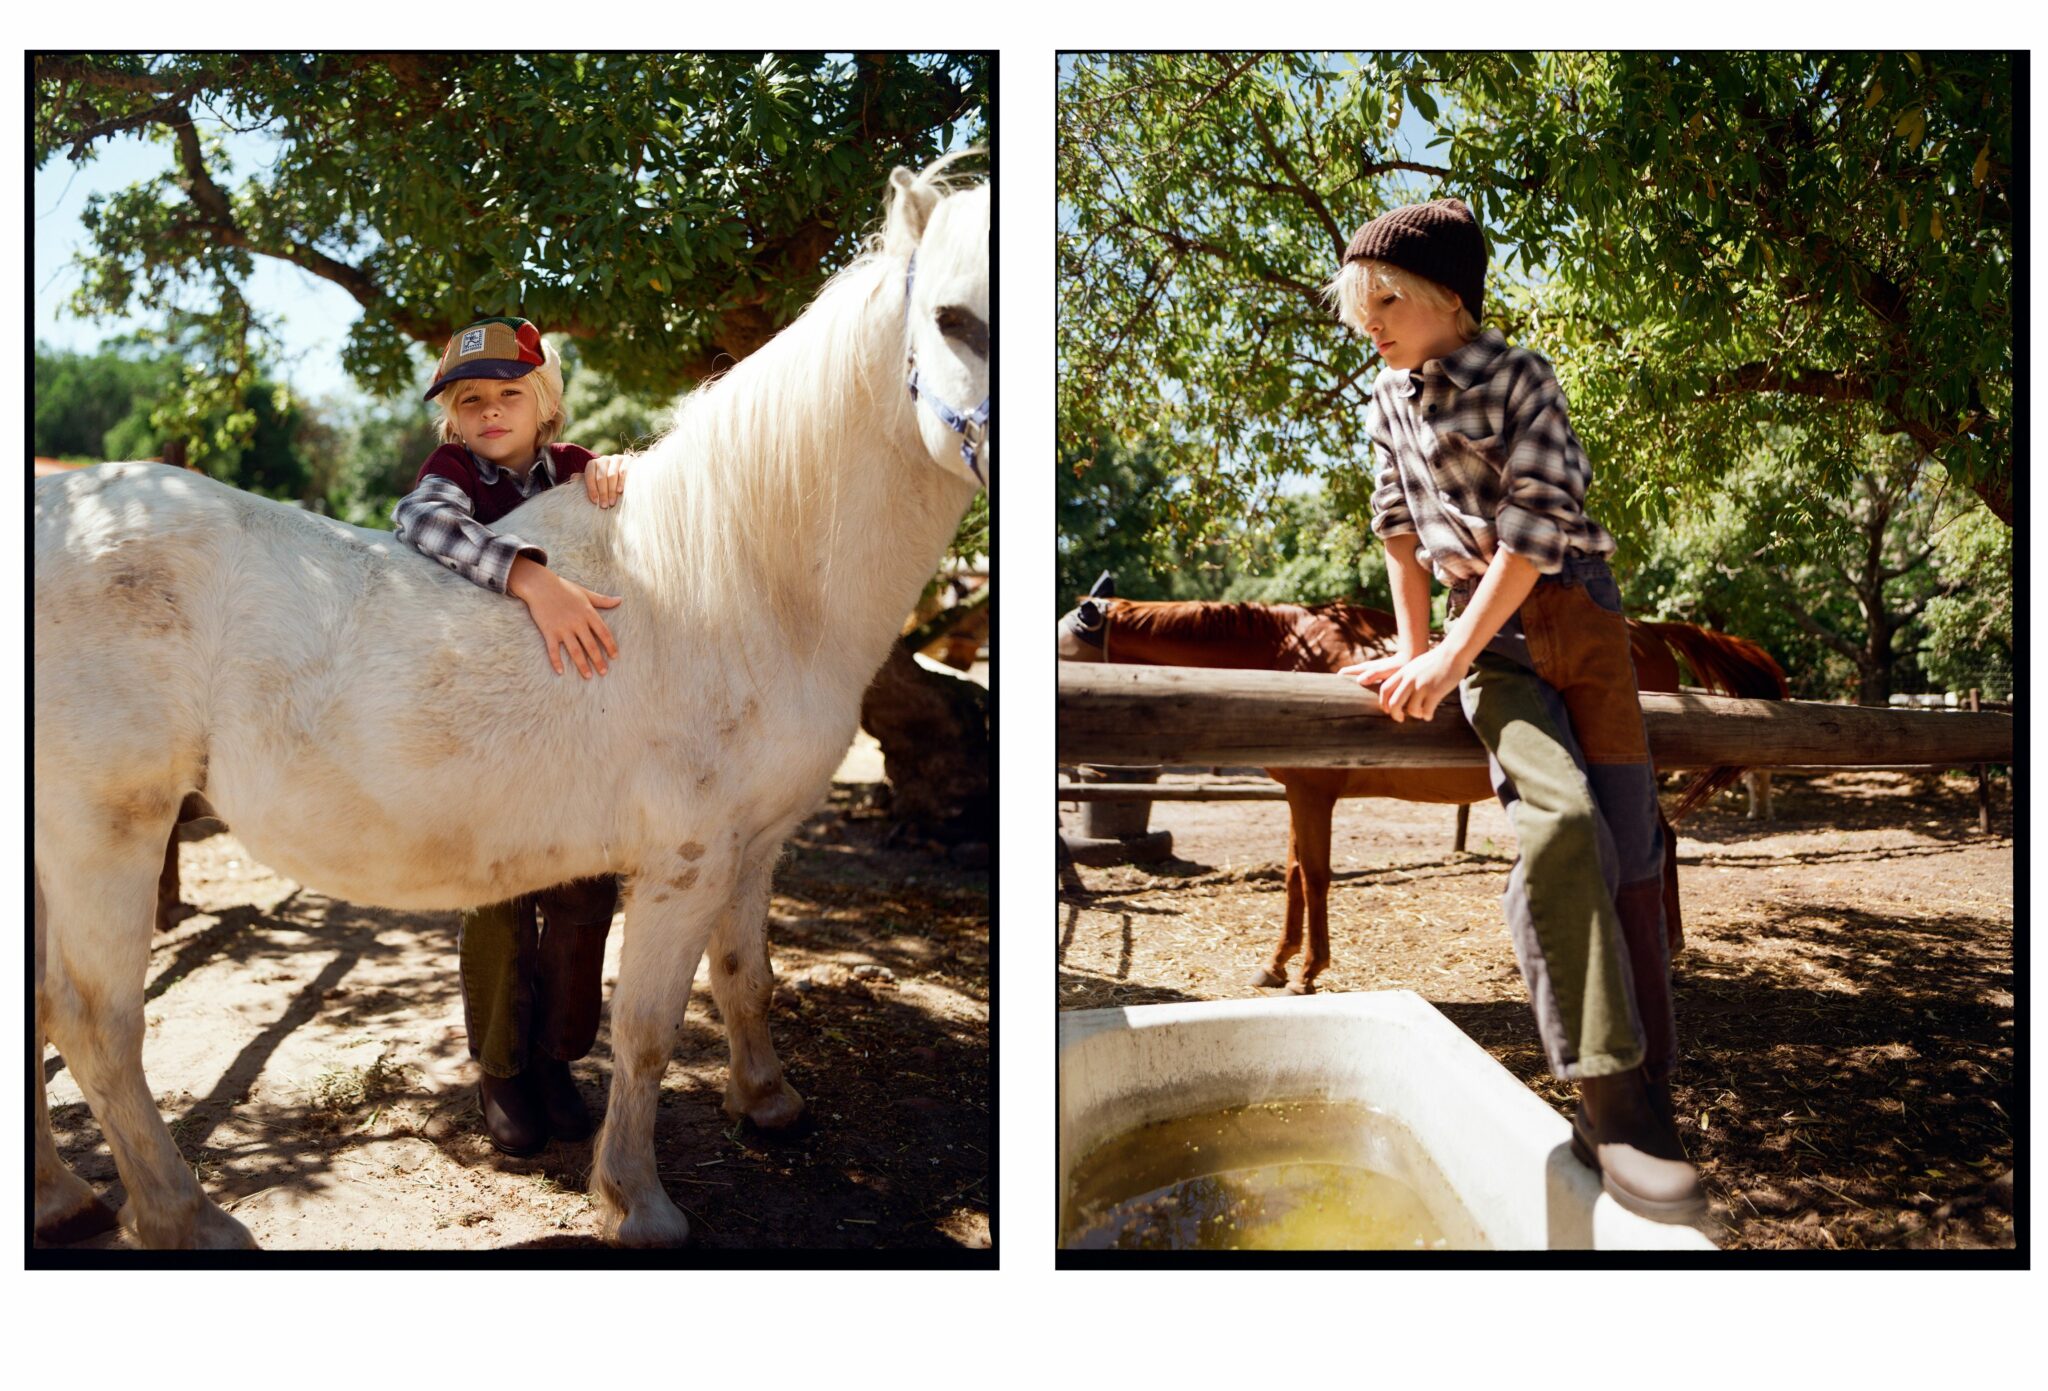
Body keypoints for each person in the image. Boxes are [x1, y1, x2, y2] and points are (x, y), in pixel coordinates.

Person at [1326, 199, 1705, 1221]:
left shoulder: (1519, 375)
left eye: (1387, 298)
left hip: (1580, 616)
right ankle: (1606, 1091)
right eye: (1361, 301)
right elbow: (1399, 535)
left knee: (1631, 848)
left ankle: (1654, 1088)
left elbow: (1534, 529)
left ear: (1450, 295)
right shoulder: (1384, 396)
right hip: (1488, 644)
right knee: (1559, 821)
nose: (1370, 318)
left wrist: (1441, 654)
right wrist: (1421, 655)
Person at [393, 315, 631, 1156]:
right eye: (471, 400)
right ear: (452, 418)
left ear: (546, 404)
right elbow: (417, 522)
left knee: (581, 891)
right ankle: (499, 1068)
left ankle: (554, 1058)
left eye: (509, 395)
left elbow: (628, 511)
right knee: (497, 901)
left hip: (573, 724)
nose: (492, 412)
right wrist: (529, 577)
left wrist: (618, 474)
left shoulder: (573, 471)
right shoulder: (452, 474)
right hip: (490, 726)